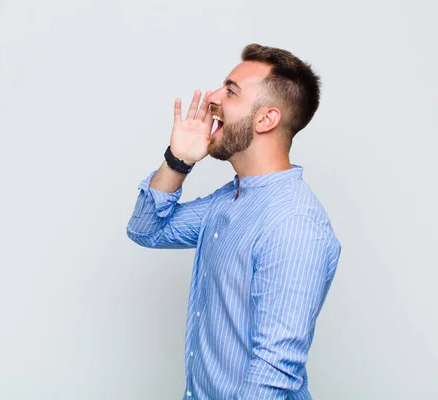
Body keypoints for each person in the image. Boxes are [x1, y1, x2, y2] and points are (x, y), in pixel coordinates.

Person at [126, 43, 341, 400]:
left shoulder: (294, 223)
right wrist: (178, 160)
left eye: (230, 91)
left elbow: (273, 374)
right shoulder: (230, 199)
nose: (212, 97)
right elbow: (146, 229)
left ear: (265, 119)